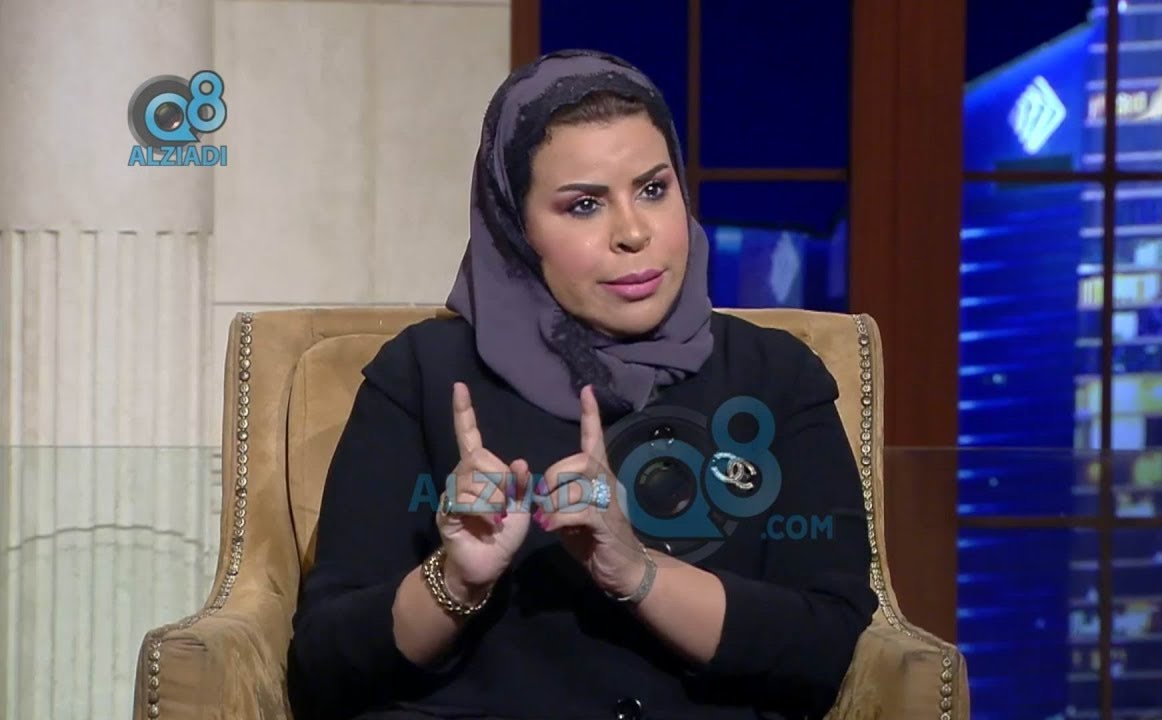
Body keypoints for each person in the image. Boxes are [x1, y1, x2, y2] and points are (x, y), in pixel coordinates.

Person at [285, 49, 878, 720]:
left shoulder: (776, 376)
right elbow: (323, 667)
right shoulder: (422, 375)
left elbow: (826, 647)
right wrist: (453, 582)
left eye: (653, 190)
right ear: (515, 227)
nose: (634, 233)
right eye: (585, 205)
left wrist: (636, 571)